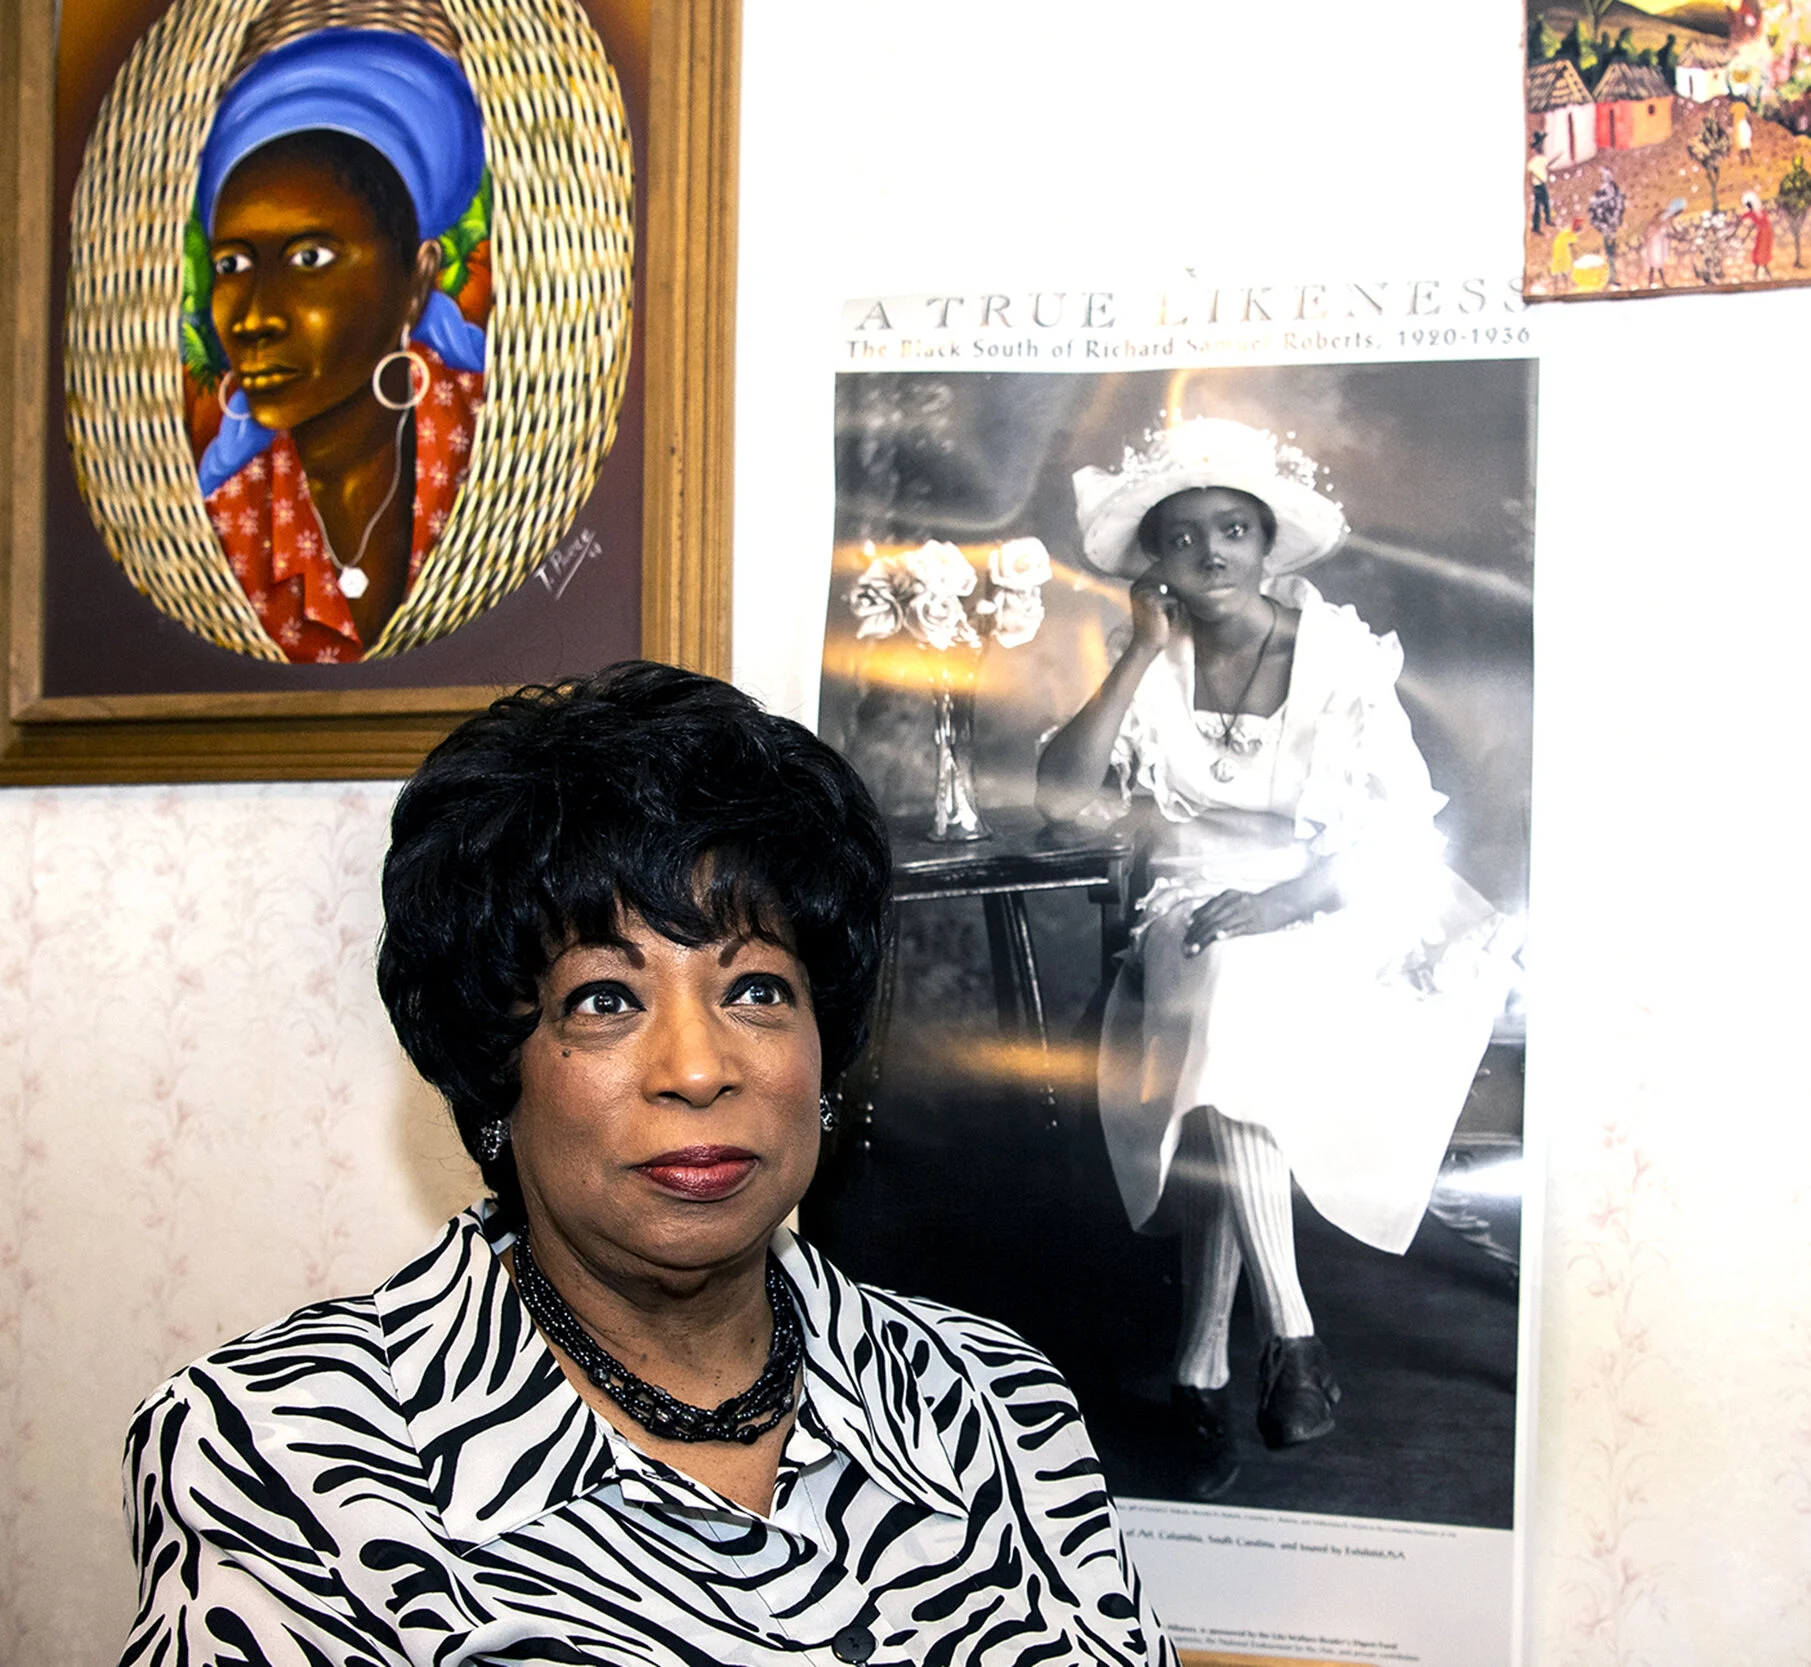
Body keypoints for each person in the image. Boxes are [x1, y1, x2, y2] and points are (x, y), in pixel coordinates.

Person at [122, 664, 1176, 1664]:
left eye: (756, 987)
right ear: (498, 1070)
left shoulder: (995, 1395)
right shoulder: (279, 1445)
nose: (698, 1067)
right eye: (605, 999)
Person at [1035, 419, 1511, 1501]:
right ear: (1153, 556)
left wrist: (1292, 894)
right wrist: (1140, 655)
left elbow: (1397, 827)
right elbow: (1060, 798)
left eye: (1234, 530)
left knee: (1233, 1034)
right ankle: (1289, 1343)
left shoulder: (1338, 655)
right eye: (1184, 535)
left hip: (1329, 900)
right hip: (1195, 903)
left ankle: (1210, 1363)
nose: (1210, 554)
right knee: (1229, 998)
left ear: (1267, 544)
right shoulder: (1151, 660)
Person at [191, 26, 492, 663]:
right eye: (232, 266)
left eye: (310, 256)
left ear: (417, 279)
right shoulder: (223, 523)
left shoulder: (501, 445)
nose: (255, 318)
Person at [1740, 189, 1777, 279]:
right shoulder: (1759, 213)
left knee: (1760, 257)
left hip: (1764, 235)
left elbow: (1749, 222)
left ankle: (1758, 277)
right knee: (1760, 257)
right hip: (1764, 234)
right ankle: (1762, 277)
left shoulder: (1757, 213)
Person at [1528, 133, 1554, 233]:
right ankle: (1536, 227)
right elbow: (1530, 171)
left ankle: (1548, 220)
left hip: (1542, 184)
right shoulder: (1533, 161)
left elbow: (1547, 164)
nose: (1541, 147)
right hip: (1538, 185)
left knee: (1546, 203)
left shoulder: (1543, 159)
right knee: (1537, 206)